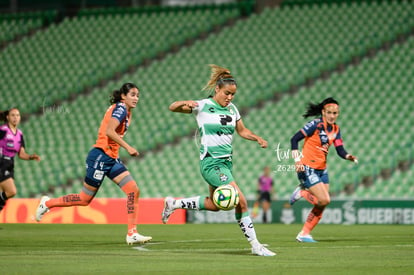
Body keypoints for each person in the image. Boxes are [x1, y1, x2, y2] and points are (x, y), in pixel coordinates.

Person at [161, 64, 276, 256]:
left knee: (215, 205)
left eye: (233, 95)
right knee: (241, 201)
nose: (230, 98)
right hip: (211, 163)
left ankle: (173, 204)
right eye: (227, 93)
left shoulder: (232, 109)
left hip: (226, 164)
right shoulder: (203, 106)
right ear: (217, 89)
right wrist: (185, 102)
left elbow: (242, 131)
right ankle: (256, 245)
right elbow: (172, 107)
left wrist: (257, 138)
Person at [35, 83, 152, 245]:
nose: (136, 98)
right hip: (100, 156)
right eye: (132, 94)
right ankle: (47, 203)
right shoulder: (121, 109)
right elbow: (109, 131)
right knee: (84, 199)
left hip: (111, 158)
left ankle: (132, 233)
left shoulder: (126, 111)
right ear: (123, 96)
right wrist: (129, 147)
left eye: (138, 95)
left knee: (133, 190)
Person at [289, 97, 357, 242]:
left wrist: (348, 156)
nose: (332, 116)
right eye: (330, 112)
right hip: (308, 167)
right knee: (324, 199)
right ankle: (301, 192)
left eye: (335, 113)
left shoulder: (336, 129)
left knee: (323, 203)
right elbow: (294, 139)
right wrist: (297, 160)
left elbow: (340, 149)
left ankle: (304, 234)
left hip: (322, 169)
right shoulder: (315, 124)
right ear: (323, 112)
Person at [0, 108, 41, 212]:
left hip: (10, 164)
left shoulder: (20, 134)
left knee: (4, 196)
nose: (15, 118)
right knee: (11, 191)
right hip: (1, 162)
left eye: (17, 115)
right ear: (7, 117)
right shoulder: (3, 130)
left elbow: (21, 154)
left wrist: (31, 157)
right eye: (13, 115)